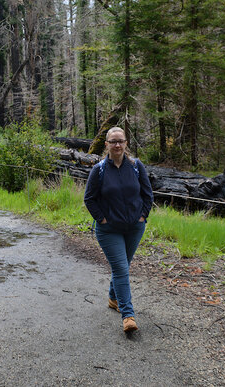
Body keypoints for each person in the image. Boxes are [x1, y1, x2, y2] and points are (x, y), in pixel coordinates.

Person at [84, 127, 153, 333]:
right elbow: (89, 198)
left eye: (120, 141)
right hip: (109, 230)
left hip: (134, 227)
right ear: (106, 144)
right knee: (122, 269)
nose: (117, 145)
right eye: (113, 141)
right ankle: (128, 315)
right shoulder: (99, 169)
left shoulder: (136, 166)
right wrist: (102, 219)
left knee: (122, 266)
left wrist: (143, 216)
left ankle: (114, 298)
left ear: (126, 143)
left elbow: (147, 194)